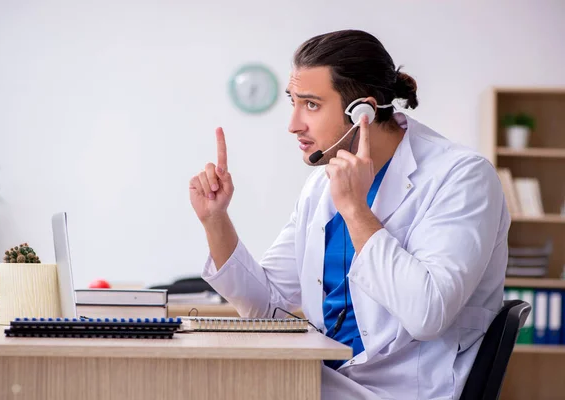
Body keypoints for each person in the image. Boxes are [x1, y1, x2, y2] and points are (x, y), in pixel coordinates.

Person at [189, 29, 509, 400]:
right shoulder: (322, 185)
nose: (293, 124)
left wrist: (356, 209)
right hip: (326, 379)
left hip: (406, 390)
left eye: (310, 104)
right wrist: (216, 220)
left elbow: (427, 314)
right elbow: (266, 306)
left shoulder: (461, 177)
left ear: (363, 112)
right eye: (293, 102)